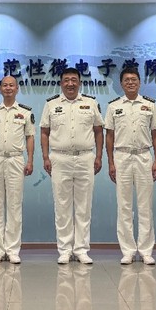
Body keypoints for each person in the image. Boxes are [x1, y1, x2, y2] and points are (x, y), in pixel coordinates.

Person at [40, 67, 104, 265]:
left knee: (84, 206)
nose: (70, 83)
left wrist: (99, 156)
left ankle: (82, 249)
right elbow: (44, 132)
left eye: (74, 80)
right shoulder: (51, 104)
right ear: (61, 83)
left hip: (85, 158)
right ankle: (65, 249)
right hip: (60, 158)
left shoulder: (91, 103)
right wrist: (45, 157)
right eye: (66, 80)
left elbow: (98, 131)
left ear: (79, 82)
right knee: (62, 206)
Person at [104, 67, 156, 265]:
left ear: (139, 82)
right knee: (124, 206)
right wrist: (111, 162)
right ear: (121, 84)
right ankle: (128, 250)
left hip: (144, 156)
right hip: (121, 157)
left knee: (145, 206)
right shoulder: (113, 106)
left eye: (134, 79)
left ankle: (146, 250)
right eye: (127, 80)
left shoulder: (149, 104)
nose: (130, 82)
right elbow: (109, 136)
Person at [0, 75, 35, 265]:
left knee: (14, 205)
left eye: (12, 85)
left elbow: (30, 137)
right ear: (0, 88)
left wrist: (30, 160)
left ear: (17, 89)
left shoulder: (25, 112)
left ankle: (12, 250)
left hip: (15, 160)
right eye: (5, 85)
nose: (8, 88)